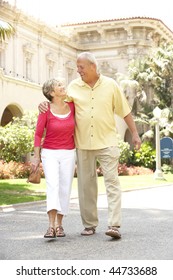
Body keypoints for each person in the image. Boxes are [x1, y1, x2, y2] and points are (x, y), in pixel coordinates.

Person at [38, 52, 141, 239]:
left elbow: (124, 111)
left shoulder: (111, 85)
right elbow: (58, 102)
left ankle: (114, 225)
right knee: (86, 186)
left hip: (107, 141)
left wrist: (134, 133)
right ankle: (90, 224)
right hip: (83, 143)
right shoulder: (73, 87)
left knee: (112, 182)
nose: (78, 71)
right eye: (77, 67)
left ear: (93, 66)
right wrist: (44, 104)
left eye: (81, 67)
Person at [32, 78, 76, 238]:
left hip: (69, 153)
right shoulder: (45, 110)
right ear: (51, 93)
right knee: (53, 185)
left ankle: (60, 225)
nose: (63, 86)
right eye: (59, 85)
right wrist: (36, 157)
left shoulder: (72, 106)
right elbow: (38, 134)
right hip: (49, 152)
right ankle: (50, 226)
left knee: (65, 187)